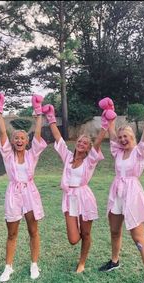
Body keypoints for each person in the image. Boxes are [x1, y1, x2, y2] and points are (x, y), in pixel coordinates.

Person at [98, 89, 144, 283]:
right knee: (114, 230)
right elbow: (110, 132)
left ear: (133, 137)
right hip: (117, 192)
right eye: (120, 137)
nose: (123, 139)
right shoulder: (118, 151)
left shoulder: (140, 151)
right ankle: (115, 261)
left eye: (126, 136)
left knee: (138, 237)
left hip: (132, 194)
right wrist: (109, 114)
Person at [41, 101, 115, 273]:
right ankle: (83, 238)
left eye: (85, 143)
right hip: (69, 198)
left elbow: (97, 143)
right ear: (77, 144)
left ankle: (82, 261)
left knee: (86, 234)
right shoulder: (67, 157)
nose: (82, 144)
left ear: (88, 148)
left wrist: (105, 125)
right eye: (80, 142)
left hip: (84, 197)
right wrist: (51, 118)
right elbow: (58, 139)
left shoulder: (90, 161)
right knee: (74, 238)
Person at [0, 92, 47, 282]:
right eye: (17, 138)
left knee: (33, 231)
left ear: (27, 141)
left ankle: (34, 264)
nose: (20, 140)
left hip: (30, 193)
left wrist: (38, 112)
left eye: (23, 137)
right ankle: (8, 267)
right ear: (13, 142)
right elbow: (4, 133)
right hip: (13, 194)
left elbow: (38, 135)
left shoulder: (32, 155)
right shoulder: (8, 155)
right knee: (12, 233)